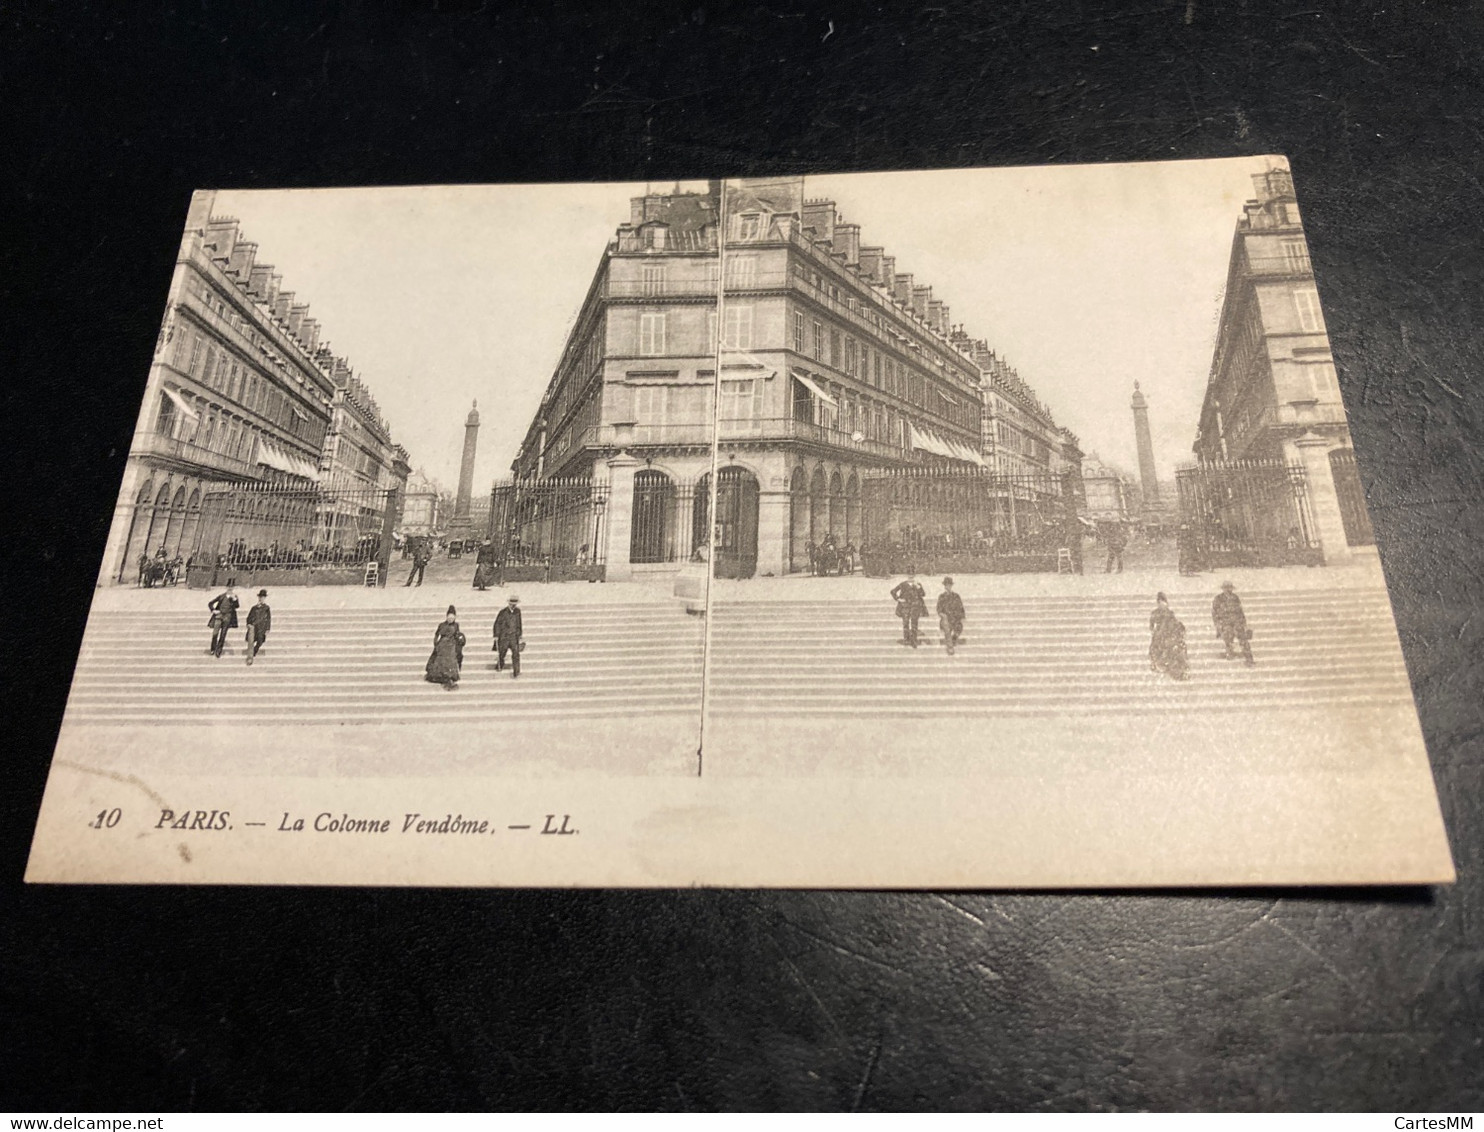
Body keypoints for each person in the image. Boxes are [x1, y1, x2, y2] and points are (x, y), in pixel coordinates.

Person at [1212, 580, 1255, 666]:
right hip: (1225, 622)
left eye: (1229, 588)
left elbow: (1240, 611)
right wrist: (1218, 624)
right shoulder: (1218, 599)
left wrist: (1244, 623)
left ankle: (1248, 658)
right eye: (1226, 588)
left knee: (1243, 636)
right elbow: (1214, 613)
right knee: (1228, 632)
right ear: (1223, 589)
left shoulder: (1235, 598)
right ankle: (1229, 650)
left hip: (1236, 622)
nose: (1228, 590)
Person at [1148, 592, 1189, 681]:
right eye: (1160, 602)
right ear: (1158, 603)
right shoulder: (1155, 613)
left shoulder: (1170, 614)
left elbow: (1176, 625)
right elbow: (1152, 627)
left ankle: (1181, 671)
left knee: (1178, 649)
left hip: (1169, 636)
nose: (1162, 604)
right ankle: (1161, 665)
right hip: (1161, 636)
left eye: (1164, 602)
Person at [425, 605, 465, 690]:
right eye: (449, 617)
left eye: (452, 618)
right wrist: (435, 643)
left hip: (451, 645)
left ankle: (450, 676)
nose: (450, 619)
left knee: (450, 660)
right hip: (442, 644)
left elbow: (457, 634)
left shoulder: (456, 625)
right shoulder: (441, 625)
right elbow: (437, 634)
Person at [890, 574, 928, 648]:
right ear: (907, 576)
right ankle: (906, 639)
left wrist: (919, 587)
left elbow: (923, 594)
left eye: (912, 576)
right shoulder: (903, 584)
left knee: (914, 623)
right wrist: (898, 599)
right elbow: (893, 591)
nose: (911, 577)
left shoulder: (917, 584)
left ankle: (914, 640)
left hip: (915, 607)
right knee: (905, 623)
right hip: (905, 607)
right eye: (909, 576)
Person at [206, 582, 240, 658]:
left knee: (223, 634)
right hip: (219, 616)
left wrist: (235, 600)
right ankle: (213, 648)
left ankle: (219, 651)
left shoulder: (234, 597)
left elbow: (237, 606)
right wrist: (213, 610)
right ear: (226, 587)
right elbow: (210, 603)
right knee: (215, 633)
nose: (230, 589)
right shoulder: (222, 596)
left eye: (232, 587)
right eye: (229, 587)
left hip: (227, 617)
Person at [493, 595, 523, 678]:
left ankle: (516, 671)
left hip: (514, 637)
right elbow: (497, 624)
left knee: (516, 654)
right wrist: (496, 635)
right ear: (509, 604)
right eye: (512, 604)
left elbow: (519, 624)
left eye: (515, 604)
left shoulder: (518, 612)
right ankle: (500, 663)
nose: (513, 605)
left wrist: (520, 635)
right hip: (504, 637)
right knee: (502, 652)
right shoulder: (503, 612)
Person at [936, 576, 966, 655]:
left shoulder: (956, 596)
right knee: (946, 626)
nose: (948, 586)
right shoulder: (941, 597)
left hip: (955, 619)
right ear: (944, 586)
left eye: (949, 585)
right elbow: (938, 610)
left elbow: (961, 607)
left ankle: (953, 639)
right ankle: (950, 647)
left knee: (959, 627)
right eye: (946, 585)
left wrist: (962, 617)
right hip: (945, 619)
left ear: (951, 586)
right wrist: (943, 615)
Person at [244, 588, 271, 666]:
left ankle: (254, 651)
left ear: (264, 598)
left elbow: (268, 618)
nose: (261, 598)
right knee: (251, 642)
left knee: (260, 640)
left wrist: (268, 628)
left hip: (262, 628)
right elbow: (249, 617)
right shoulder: (254, 608)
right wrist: (248, 624)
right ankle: (250, 658)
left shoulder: (266, 608)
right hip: (254, 627)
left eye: (263, 597)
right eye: (260, 597)